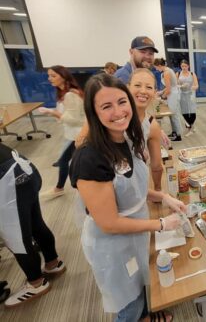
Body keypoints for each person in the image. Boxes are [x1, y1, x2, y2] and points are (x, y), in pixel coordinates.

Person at [69, 73, 185, 322]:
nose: (119, 111)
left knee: (140, 285)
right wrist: (161, 224)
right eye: (106, 106)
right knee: (128, 303)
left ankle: (145, 316)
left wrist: (162, 196)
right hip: (111, 244)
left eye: (122, 102)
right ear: (94, 113)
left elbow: (129, 187)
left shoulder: (126, 138)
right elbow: (109, 222)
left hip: (134, 232)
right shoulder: (90, 158)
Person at [0, 143, 65, 307]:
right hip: (22, 166)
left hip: (7, 179)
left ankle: (36, 284)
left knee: (17, 239)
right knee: (36, 223)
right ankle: (53, 263)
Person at [39, 65, 85, 200]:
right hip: (73, 134)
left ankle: (63, 189)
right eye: (49, 75)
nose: (49, 79)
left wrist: (52, 112)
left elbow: (74, 119)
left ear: (63, 76)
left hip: (78, 134)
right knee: (67, 162)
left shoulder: (71, 94)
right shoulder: (65, 93)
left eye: (53, 76)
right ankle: (62, 188)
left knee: (67, 162)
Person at [154, 58, 183, 141]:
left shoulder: (166, 73)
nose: (156, 69)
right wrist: (160, 92)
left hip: (173, 94)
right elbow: (168, 86)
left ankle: (178, 135)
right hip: (173, 93)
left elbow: (169, 89)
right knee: (172, 115)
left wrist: (161, 97)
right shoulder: (168, 70)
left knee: (174, 115)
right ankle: (175, 132)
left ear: (159, 65)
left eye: (156, 67)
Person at [176, 59, 199, 137]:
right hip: (182, 95)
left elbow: (196, 85)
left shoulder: (192, 74)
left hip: (191, 95)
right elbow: (175, 85)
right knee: (184, 112)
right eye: (182, 66)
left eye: (185, 66)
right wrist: (181, 86)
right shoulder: (178, 74)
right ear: (180, 66)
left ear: (188, 66)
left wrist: (192, 87)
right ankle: (190, 127)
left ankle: (191, 127)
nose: (184, 67)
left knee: (192, 112)